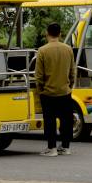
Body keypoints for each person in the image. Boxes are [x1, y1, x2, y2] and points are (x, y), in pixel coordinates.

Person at [35, 22, 77, 156]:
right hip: (65, 91)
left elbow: (39, 75)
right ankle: (65, 147)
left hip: (48, 92)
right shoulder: (68, 49)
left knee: (50, 121)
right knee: (66, 121)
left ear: (47, 33)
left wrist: (40, 89)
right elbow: (72, 71)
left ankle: (51, 148)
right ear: (60, 34)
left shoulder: (42, 50)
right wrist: (69, 86)